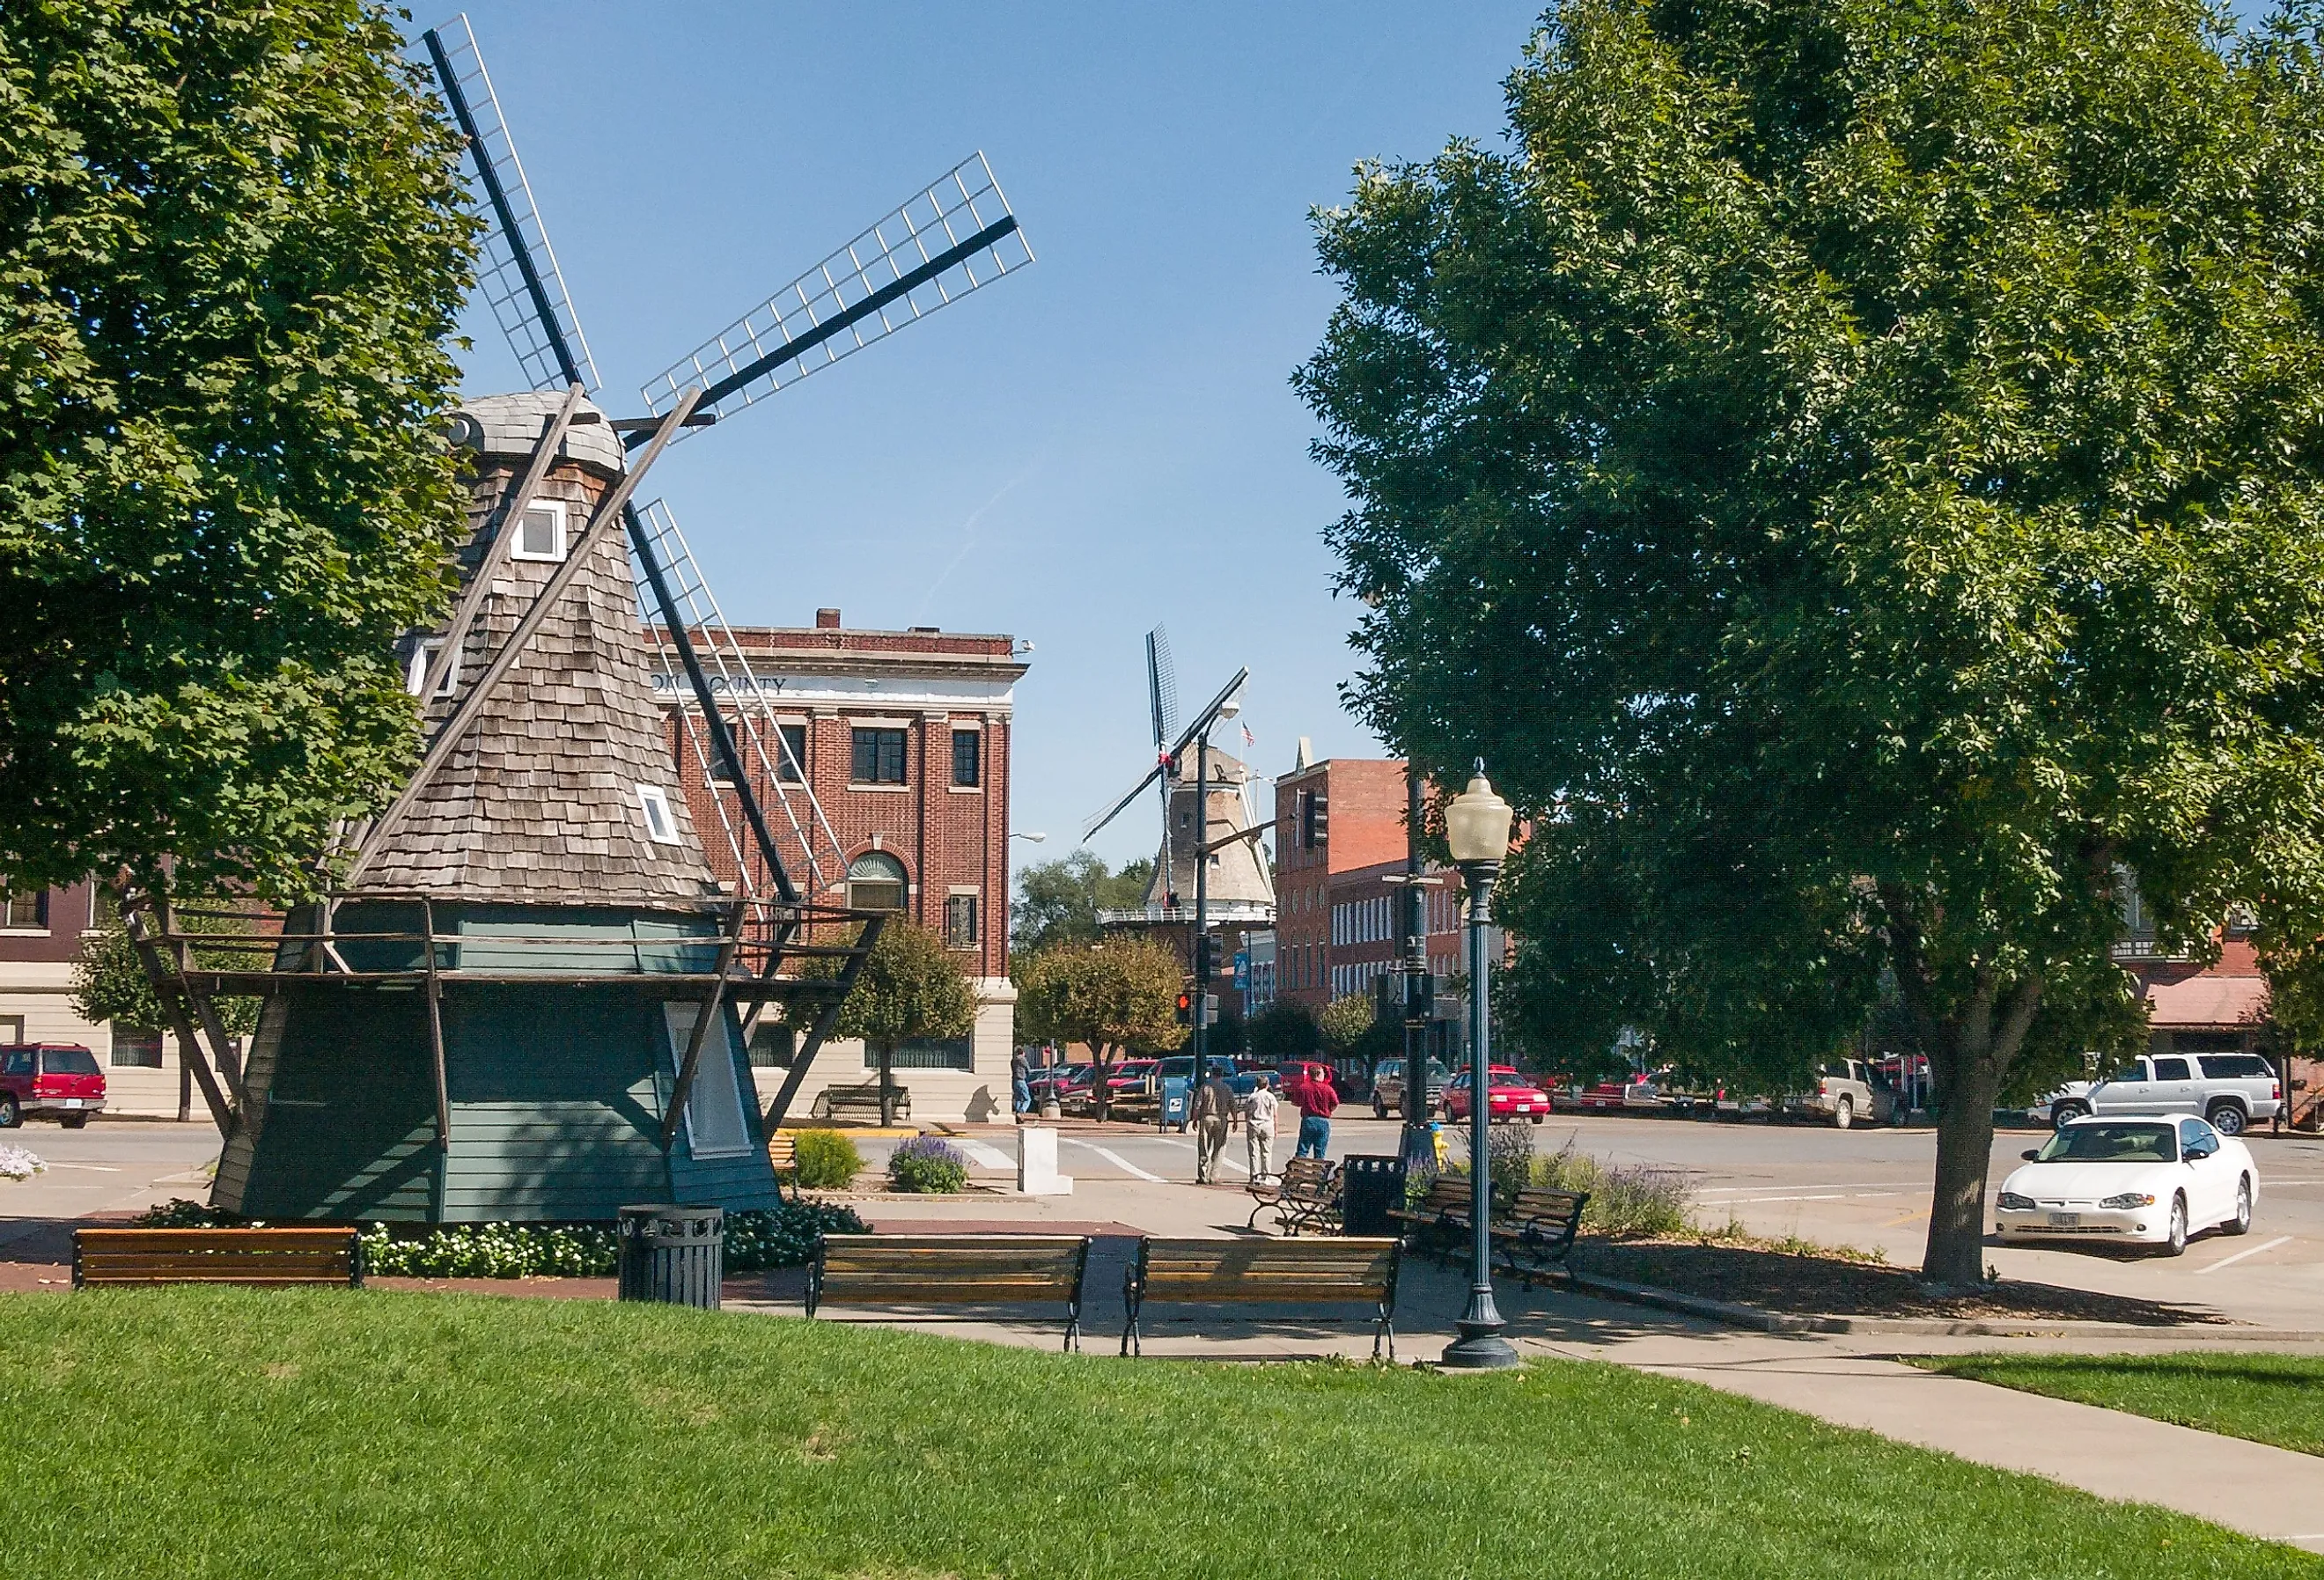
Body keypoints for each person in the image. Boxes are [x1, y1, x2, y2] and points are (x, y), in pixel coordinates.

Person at [1192, 1068, 1234, 1183]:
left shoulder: (1205, 1087)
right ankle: (1214, 1176)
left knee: (1204, 1147)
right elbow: (1232, 1105)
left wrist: (1194, 1119)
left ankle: (1203, 1176)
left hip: (1207, 1117)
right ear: (1221, 1075)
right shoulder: (1227, 1088)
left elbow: (1197, 1105)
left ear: (1212, 1074)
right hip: (1222, 1118)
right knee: (1219, 1148)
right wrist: (1235, 1120)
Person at [1292, 1063, 1338, 1159]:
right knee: (1320, 1151)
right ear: (1319, 1075)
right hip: (1323, 1120)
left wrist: (1306, 1103)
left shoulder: (1303, 1087)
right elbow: (1335, 1103)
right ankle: (1318, 1172)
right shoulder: (1328, 1089)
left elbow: (1295, 1102)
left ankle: (1298, 1171)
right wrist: (1329, 1110)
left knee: (1303, 1150)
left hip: (1308, 1120)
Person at [1244, 1076, 1279, 1182]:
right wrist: (1276, 1128)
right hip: (1267, 1125)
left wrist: (1247, 1122)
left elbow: (1247, 1111)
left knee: (1254, 1153)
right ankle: (1266, 1176)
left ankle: (1254, 1176)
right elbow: (1275, 1114)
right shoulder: (1271, 1097)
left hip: (1254, 1124)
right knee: (1266, 1153)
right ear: (1267, 1085)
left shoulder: (1252, 1097)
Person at [1010, 1049, 1032, 1121]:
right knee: (1027, 1099)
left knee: (1018, 1099)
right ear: (1023, 1053)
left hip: (1014, 1081)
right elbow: (1028, 1070)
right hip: (1021, 1080)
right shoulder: (1023, 1059)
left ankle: (1017, 1114)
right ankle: (1021, 1111)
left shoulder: (1013, 1060)